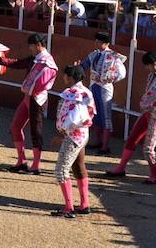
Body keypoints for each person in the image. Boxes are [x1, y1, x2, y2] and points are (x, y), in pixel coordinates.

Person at [107, 52, 156, 184]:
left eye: (148, 66)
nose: (147, 69)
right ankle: (121, 168)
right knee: (132, 138)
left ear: (154, 64)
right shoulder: (152, 75)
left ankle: (153, 176)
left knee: (148, 148)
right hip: (148, 113)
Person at [8, 34, 59, 174]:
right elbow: (18, 63)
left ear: (37, 45)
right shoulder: (36, 59)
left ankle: (36, 165)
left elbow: (43, 83)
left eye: (31, 46)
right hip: (28, 97)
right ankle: (22, 161)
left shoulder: (47, 62)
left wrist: (32, 90)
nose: (29, 49)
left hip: (37, 99)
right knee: (15, 127)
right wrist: (0, 60)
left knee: (36, 131)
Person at [52, 65, 96, 218]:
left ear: (70, 78)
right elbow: (90, 114)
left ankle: (69, 207)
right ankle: (84, 205)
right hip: (83, 134)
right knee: (78, 166)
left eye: (65, 76)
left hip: (73, 136)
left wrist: (64, 130)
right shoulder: (87, 92)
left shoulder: (71, 93)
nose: (63, 78)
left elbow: (74, 116)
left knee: (61, 170)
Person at [81, 32, 127, 154]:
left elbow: (122, 73)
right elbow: (83, 65)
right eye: (95, 41)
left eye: (98, 42)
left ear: (106, 43)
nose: (96, 43)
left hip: (105, 88)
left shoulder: (113, 56)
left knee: (106, 116)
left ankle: (105, 146)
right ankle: (98, 142)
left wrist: (112, 78)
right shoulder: (94, 54)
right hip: (94, 86)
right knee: (95, 114)